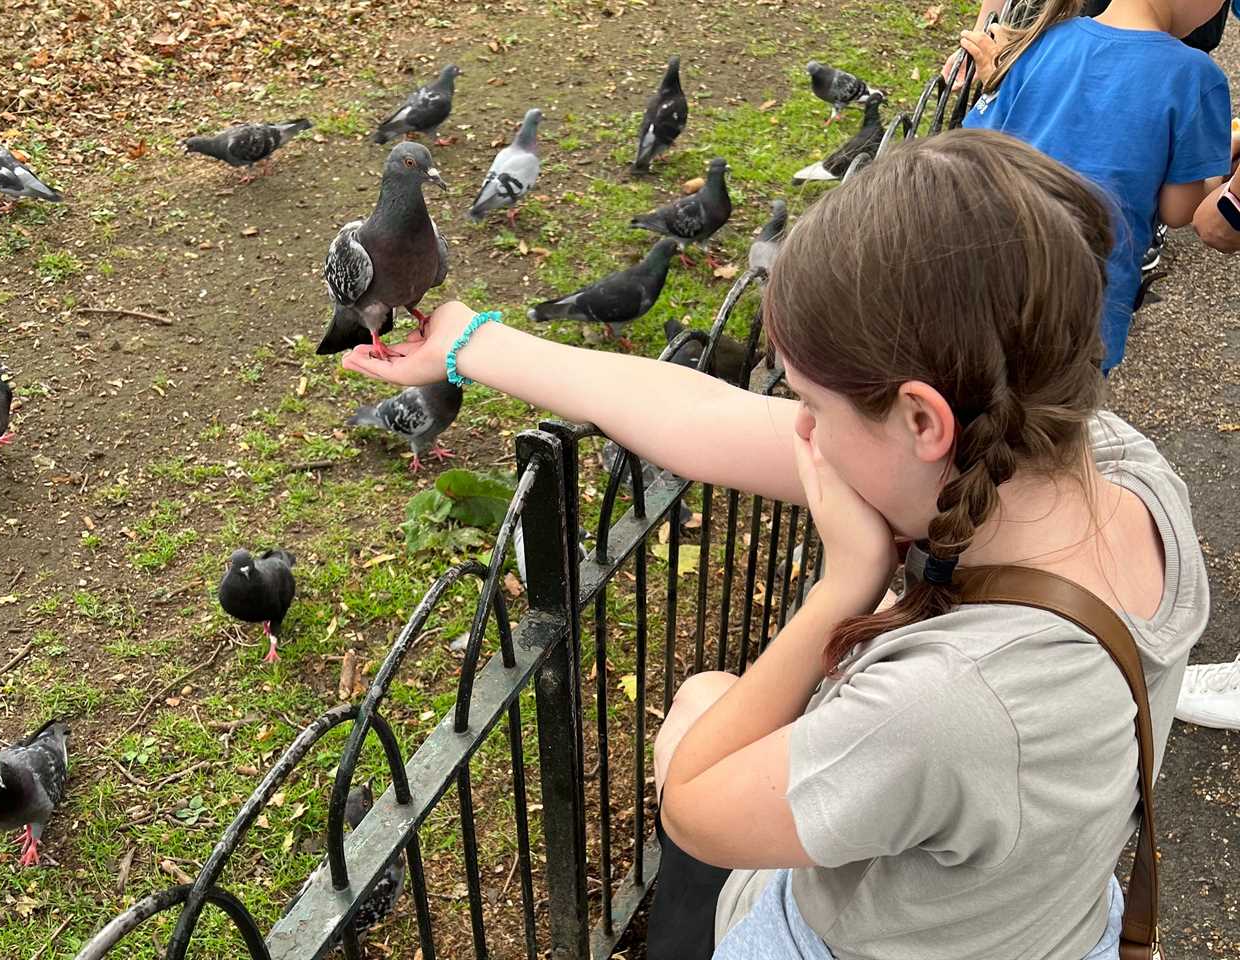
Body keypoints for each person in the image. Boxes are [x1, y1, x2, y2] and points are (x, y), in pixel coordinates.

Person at [339, 129, 1208, 959]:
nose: (799, 429)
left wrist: (843, 589)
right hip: (1041, 921)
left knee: (706, 702)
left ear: (920, 419)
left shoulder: (955, 703)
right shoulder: (1118, 469)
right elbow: (709, 417)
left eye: (811, 406)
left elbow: (696, 805)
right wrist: (473, 344)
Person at [957, 0, 1232, 373]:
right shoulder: (1195, 75)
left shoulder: (1040, 39)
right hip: (1086, 310)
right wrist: (1215, 163)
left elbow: (978, 144)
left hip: (994, 282)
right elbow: (1178, 209)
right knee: (1058, 415)